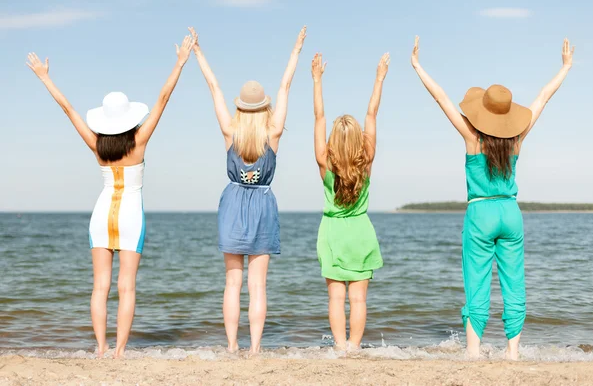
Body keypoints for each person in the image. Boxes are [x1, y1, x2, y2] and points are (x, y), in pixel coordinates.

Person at [26, 33, 196, 358]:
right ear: (131, 119)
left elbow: (67, 109)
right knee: (126, 286)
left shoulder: (96, 145)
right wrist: (180, 62)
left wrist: (44, 77)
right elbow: (163, 99)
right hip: (131, 215)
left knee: (100, 286)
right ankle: (119, 350)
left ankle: (101, 348)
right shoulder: (140, 142)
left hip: (102, 213)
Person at [411, 36, 574, 359]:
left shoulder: (472, 139)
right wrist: (566, 67)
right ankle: (513, 352)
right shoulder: (516, 140)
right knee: (515, 282)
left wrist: (418, 66)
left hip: (481, 213)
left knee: (477, 282)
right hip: (511, 212)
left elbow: (442, 98)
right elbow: (542, 98)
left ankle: (474, 350)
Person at [188, 26, 306, 354]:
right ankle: (254, 349)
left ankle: (231, 346)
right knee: (257, 286)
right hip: (263, 206)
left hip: (233, 203)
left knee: (232, 283)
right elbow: (285, 86)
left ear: (240, 108)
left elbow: (214, 87)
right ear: (263, 108)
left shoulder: (230, 131)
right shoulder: (274, 134)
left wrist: (198, 53)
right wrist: (295, 50)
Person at [312, 52, 388, 351]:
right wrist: (379, 77)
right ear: (359, 140)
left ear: (333, 141)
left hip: (333, 233)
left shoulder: (324, 162)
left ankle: (340, 346)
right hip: (360, 232)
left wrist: (317, 80)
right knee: (358, 299)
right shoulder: (366, 159)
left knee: (335, 298)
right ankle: (354, 347)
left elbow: (319, 117)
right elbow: (372, 115)